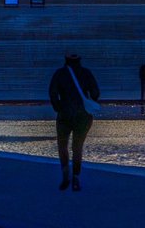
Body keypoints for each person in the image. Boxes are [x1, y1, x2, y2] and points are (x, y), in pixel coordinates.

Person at [49, 53, 100, 192]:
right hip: (83, 115)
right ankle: (76, 177)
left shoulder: (60, 73)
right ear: (79, 61)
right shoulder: (86, 73)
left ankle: (66, 174)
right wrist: (91, 102)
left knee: (62, 145)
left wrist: (58, 107)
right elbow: (95, 92)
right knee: (77, 147)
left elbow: (52, 93)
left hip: (64, 114)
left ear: (66, 61)